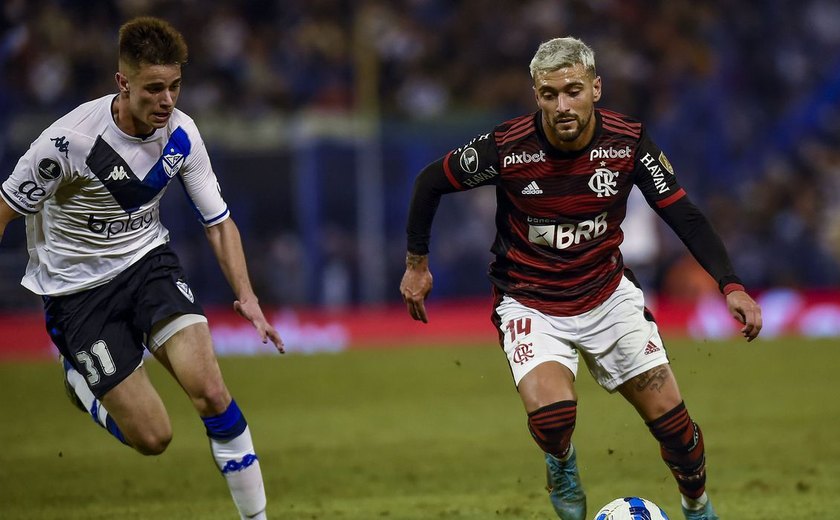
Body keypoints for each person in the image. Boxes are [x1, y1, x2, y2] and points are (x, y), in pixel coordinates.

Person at [400, 36, 762, 520]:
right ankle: (561, 463)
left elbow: (683, 214)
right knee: (553, 418)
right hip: (530, 300)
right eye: (549, 95)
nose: (562, 105)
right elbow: (430, 182)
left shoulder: (627, 140)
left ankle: (697, 507)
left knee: (675, 428)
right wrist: (416, 264)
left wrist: (730, 284)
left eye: (572, 91)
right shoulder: (506, 147)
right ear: (536, 96)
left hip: (607, 295)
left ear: (596, 88)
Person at [0, 17, 282, 520]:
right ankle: (83, 385)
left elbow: (218, 224)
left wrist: (248, 297)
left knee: (213, 392)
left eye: (175, 86)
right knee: (154, 438)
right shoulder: (66, 143)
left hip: (148, 264)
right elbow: (2, 212)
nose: (167, 100)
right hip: (78, 294)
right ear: (123, 83)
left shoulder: (182, 134)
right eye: (154, 88)